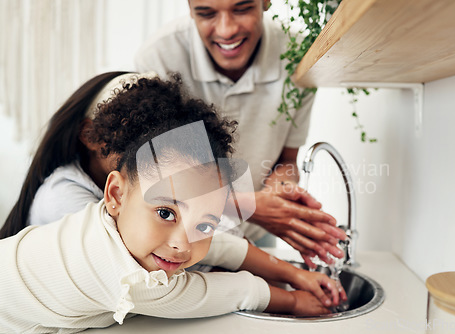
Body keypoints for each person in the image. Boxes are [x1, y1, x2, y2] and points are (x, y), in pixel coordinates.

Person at [0, 76, 346, 333]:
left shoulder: (118, 220)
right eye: (166, 213)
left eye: (205, 224)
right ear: (116, 194)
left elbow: (221, 245)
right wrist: (292, 300)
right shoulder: (119, 267)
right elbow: (197, 294)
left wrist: (294, 273)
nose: (183, 243)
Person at [134, 0, 346, 267]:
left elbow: (287, 160)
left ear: (266, 2)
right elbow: (153, 179)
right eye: (206, 13)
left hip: (257, 231)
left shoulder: (297, 55)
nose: (226, 30)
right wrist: (252, 206)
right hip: (181, 236)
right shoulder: (160, 58)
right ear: (189, 8)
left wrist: (281, 196)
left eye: (242, 8)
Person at [0, 71, 156, 239]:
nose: (144, 155)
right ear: (90, 135)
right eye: (130, 138)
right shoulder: (64, 197)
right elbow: (128, 256)